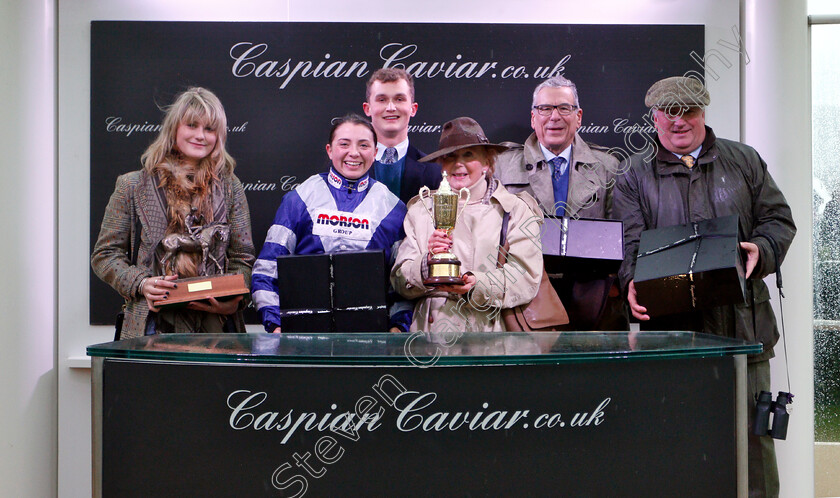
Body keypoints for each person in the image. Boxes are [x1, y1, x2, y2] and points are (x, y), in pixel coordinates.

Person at [611, 76, 796, 497]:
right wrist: (631, 281)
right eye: (669, 113)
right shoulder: (634, 176)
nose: (679, 122)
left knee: (753, 443)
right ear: (654, 117)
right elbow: (629, 243)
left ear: (703, 112)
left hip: (744, 330)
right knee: (674, 440)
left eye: (688, 111)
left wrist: (762, 249)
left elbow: (779, 221)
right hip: (672, 333)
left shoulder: (744, 160)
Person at [91, 87, 255, 338]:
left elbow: (242, 259)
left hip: (217, 331)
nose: (201, 135)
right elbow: (105, 255)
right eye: (192, 125)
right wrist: (141, 284)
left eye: (209, 129)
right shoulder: (133, 186)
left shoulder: (231, 187)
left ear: (219, 135)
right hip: (150, 328)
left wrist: (235, 300)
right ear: (174, 128)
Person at [251, 114, 409, 333]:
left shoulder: (394, 209)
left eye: (363, 145)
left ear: (375, 152)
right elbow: (266, 270)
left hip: (371, 342)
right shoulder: (299, 199)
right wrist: (275, 325)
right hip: (304, 342)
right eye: (344, 144)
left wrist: (398, 328)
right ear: (329, 150)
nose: (353, 153)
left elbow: (403, 283)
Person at [495, 75, 627, 330]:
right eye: (545, 108)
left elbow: (622, 234)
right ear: (534, 118)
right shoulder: (502, 165)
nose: (554, 116)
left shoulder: (608, 166)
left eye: (564, 108)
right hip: (525, 299)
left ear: (578, 117)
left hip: (591, 300)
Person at [392, 117, 544, 332]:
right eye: (450, 157)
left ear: (487, 162)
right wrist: (427, 264)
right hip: (430, 337)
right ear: (441, 165)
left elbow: (526, 278)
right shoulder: (421, 209)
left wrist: (476, 284)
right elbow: (400, 281)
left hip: (488, 333)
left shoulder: (515, 209)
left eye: (468, 155)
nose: (458, 163)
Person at [363, 68, 442, 204]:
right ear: (367, 108)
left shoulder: (434, 172)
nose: (391, 107)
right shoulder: (348, 166)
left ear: (413, 109)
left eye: (399, 99)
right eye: (382, 100)